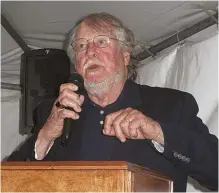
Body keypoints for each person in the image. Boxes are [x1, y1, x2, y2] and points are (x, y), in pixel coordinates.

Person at [7, 12, 218, 191]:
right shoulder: (53, 112)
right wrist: (45, 135)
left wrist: (157, 132)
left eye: (101, 42)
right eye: (81, 46)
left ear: (126, 55)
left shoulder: (172, 105)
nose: (90, 52)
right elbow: (9, 182)